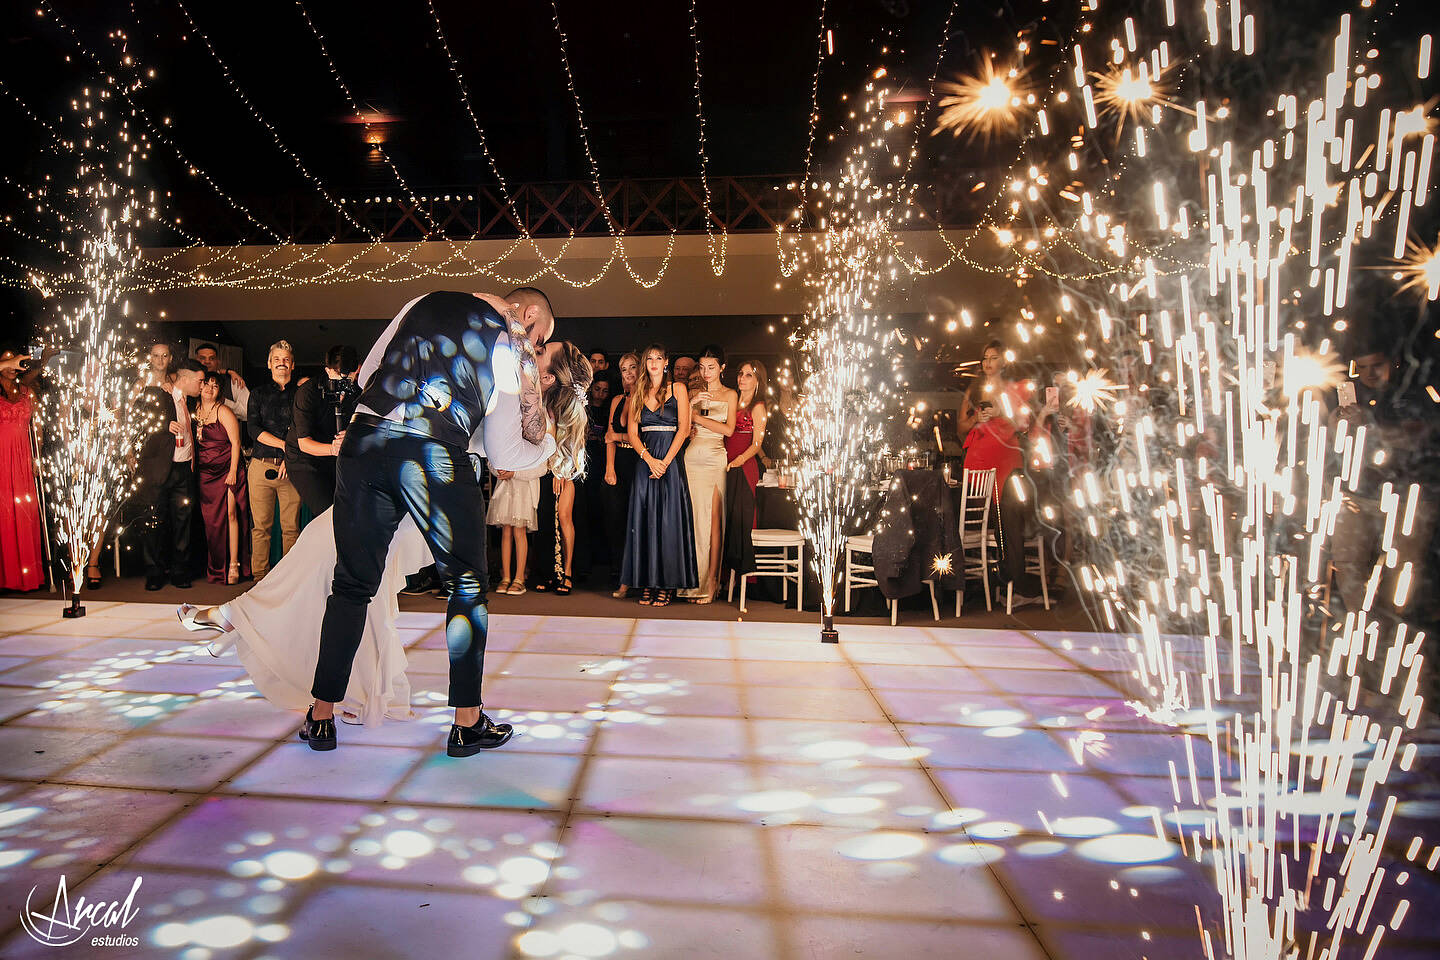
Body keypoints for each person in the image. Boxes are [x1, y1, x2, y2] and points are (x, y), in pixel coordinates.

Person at [177, 335, 591, 728]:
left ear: (547, 376)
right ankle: (359, 690)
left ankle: (247, 624)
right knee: (334, 561)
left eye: (542, 350)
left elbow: (502, 456)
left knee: (339, 564)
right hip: (405, 473)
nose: (532, 348)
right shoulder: (511, 389)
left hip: (425, 488)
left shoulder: (527, 410)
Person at [305, 288, 558, 757]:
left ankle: (321, 717)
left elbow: (369, 372)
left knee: (352, 584)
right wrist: (549, 446)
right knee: (467, 585)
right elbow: (504, 452)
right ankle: (466, 724)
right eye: (539, 336)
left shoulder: (423, 300)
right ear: (528, 314)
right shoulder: (509, 341)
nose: (535, 346)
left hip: (365, 440)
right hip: (432, 451)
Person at [1328, 342, 1440, 631]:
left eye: (1377, 365)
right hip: (1357, 496)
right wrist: (1336, 427)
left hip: (1409, 500)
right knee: (1347, 564)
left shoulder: (1417, 393)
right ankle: (1360, 631)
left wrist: (1370, 427)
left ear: (1394, 362)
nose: (1370, 374)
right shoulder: (1351, 395)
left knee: (1401, 573)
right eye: (1362, 367)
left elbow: (1414, 439)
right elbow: (1334, 449)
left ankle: (1393, 634)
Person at [958, 340, 1051, 607]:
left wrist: (1001, 412)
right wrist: (977, 419)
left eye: (994, 357)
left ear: (1004, 361)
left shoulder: (1015, 389)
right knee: (992, 520)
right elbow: (961, 427)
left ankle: (1013, 583)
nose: (988, 362)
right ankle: (1000, 583)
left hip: (1008, 463)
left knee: (1010, 518)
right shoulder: (975, 389)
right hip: (979, 466)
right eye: (985, 358)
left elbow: (1024, 423)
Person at [621, 344, 698, 607]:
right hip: (646, 462)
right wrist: (649, 459)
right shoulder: (638, 390)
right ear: (645, 363)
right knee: (645, 520)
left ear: (666, 362)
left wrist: (664, 463)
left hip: (670, 462)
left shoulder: (678, 389)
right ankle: (648, 582)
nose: (653, 362)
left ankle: (667, 584)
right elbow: (632, 433)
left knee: (668, 522)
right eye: (649, 358)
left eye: (658, 358)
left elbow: (684, 429)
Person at [135, 358, 204, 590]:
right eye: (199, 381)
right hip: (159, 469)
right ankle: (154, 572)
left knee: (183, 522)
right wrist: (164, 425)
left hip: (184, 469)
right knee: (154, 520)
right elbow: (138, 422)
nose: (202, 386)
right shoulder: (156, 394)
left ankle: (180, 571)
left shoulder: (193, 402)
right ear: (185, 379)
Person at [680, 345, 737, 603]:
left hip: (715, 458)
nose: (706, 372)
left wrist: (696, 417)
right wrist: (690, 407)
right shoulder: (692, 393)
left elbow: (728, 430)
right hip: (692, 457)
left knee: (714, 521)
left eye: (711, 367)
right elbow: (681, 427)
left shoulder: (730, 394)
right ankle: (692, 583)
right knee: (694, 522)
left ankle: (711, 582)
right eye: (702, 367)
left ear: (722, 368)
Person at [247, 340, 302, 577]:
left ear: (292, 365)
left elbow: (304, 430)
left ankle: (288, 581)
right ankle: (260, 579)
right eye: (277, 359)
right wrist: (283, 446)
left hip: (291, 469)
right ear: (269, 364)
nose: (282, 363)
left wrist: (290, 458)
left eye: (286, 360)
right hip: (261, 467)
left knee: (291, 529)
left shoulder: (301, 395)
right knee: (260, 528)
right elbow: (253, 429)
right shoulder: (257, 394)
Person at [285, 344, 360, 515]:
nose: (343, 383)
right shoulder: (308, 392)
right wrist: (333, 449)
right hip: (304, 460)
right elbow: (304, 443)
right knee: (327, 512)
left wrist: (353, 435)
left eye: (348, 377)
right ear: (327, 370)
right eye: (338, 376)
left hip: (336, 460)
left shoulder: (358, 392)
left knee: (350, 509)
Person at [193, 370, 251, 584]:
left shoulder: (224, 411)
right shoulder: (194, 410)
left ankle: (234, 565)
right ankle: (217, 566)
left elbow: (236, 443)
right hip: (204, 473)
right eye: (207, 384)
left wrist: (233, 471)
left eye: (215, 386)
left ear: (220, 391)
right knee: (212, 522)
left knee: (231, 514)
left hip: (227, 469)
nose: (210, 389)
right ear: (200, 387)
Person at [0, 347, 50, 592]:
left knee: (23, 511)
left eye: (15, 362)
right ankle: (5, 577)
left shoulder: (27, 392)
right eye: (6, 362)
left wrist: (37, 456)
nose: (12, 367)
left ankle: (26, 576)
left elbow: (37, 427)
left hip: (22, 458)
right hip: (1, 458)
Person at [603, 352, 641, 597]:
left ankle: (639, 578)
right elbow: (609, 436)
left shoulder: (648, 398)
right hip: (618, 464)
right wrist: (609, 468)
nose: (628, 373)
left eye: (632, 367)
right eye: (624, 369)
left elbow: (644, 437)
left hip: (640, 463)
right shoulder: (617, 400)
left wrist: (618, 436)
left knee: (637, 522)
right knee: (616, 522)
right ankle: (621, 576)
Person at [728, 361, 768, 497]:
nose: (742, 378)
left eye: (748, 375)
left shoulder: (758, 407)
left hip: (743, 465)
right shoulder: (731, 401)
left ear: (758, 380)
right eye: (741, 374)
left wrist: (739, 460)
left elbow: (757, 444)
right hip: (724, 462)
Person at [194, 342, 249, 419]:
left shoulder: (233, 381)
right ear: (195, 360)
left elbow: (247, 412)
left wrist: (224, 401)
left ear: (218, 362)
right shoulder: (189, 380)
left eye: (212, 358)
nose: (207, 361)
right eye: (202, 358)